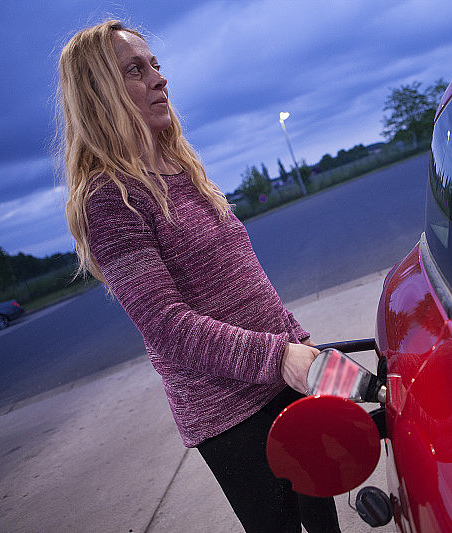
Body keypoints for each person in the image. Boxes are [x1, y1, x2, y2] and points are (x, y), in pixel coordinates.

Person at [58, 20, 340, 532]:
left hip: (285, 381)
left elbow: (247, 282)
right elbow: (167, 326)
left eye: (157, 67)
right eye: (135, 71)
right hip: (232, 415)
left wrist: (299, 345)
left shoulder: (181, 169)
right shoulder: (111, 200)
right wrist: (278, 357)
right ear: (99, 94)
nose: (160, 80)